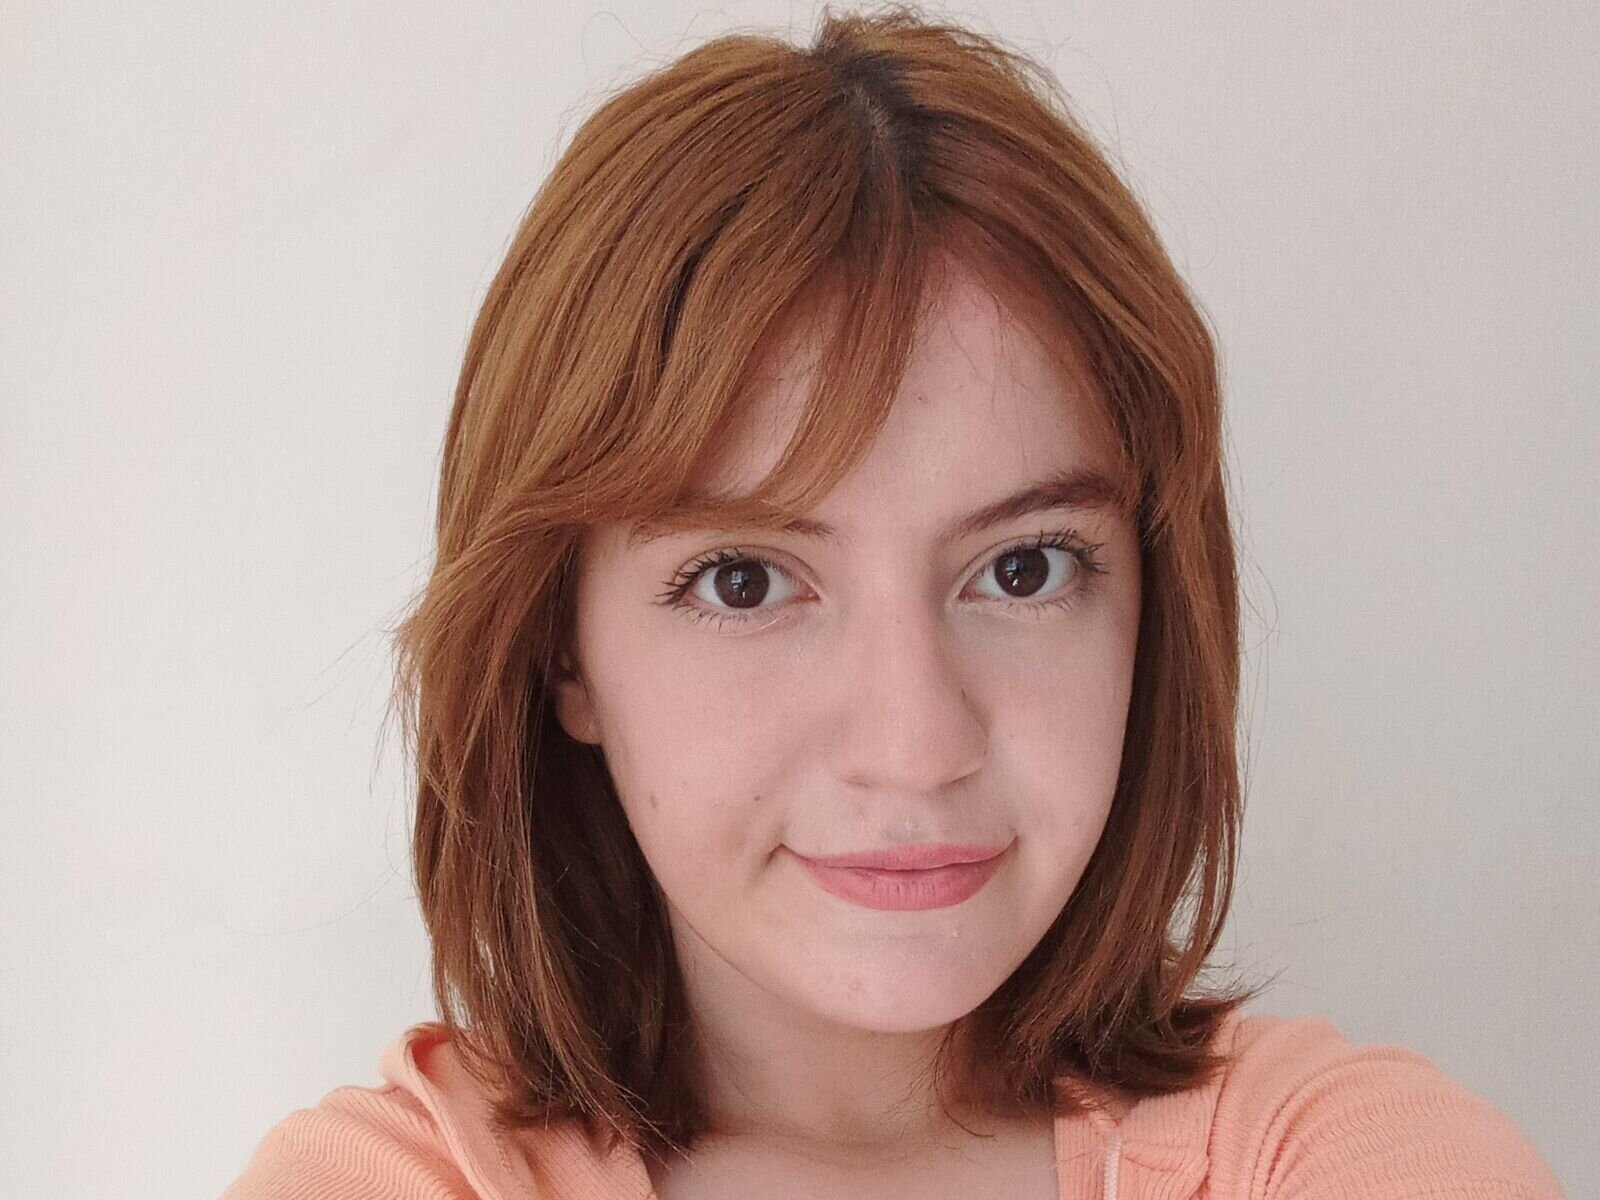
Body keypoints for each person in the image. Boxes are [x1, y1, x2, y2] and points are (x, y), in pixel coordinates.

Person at [220, 6, 1565, 1198]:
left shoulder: (1355, 1160)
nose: (915, 744)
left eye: (1024, 568)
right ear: (561, 650)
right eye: (746, 581)